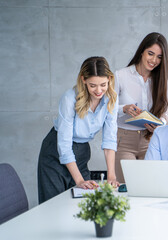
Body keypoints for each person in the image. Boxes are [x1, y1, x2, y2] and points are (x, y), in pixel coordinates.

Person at [38, 56, 120, 204]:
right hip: (55, 153)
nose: (99, 90)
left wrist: (111, 176)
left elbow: (109, 140)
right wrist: (79, 180)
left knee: (83, 203)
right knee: (53, 206)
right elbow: (63, 144)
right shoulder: (70, 98)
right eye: (93, 85)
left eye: (103, 84)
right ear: (83, 80)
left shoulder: (111, 99)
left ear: (109, 79)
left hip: (81, 151)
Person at [114, 32, 168, 183]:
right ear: (141, 52)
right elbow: (107, 110)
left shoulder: (161, 80)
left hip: (150, 139)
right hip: (124, 140)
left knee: (149, 186)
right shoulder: (120, 76)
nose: (154, 60)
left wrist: (161, 125)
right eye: (150, 54)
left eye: (159, 57)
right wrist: (124, 108)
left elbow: (165, 109)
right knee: (127, 188)